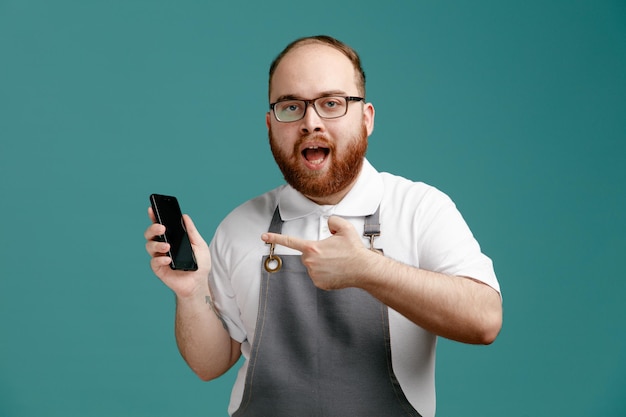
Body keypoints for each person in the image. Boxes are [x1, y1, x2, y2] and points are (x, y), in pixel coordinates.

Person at [145, 35, 502, 417]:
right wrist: (191, 292)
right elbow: (210, 364)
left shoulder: (420, 209)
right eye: (291, 106)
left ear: (366, 119)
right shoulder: (239, 226)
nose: (309, 122)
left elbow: (484, 320)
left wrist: (368, 270)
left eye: (331, 103)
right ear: (270, 124)